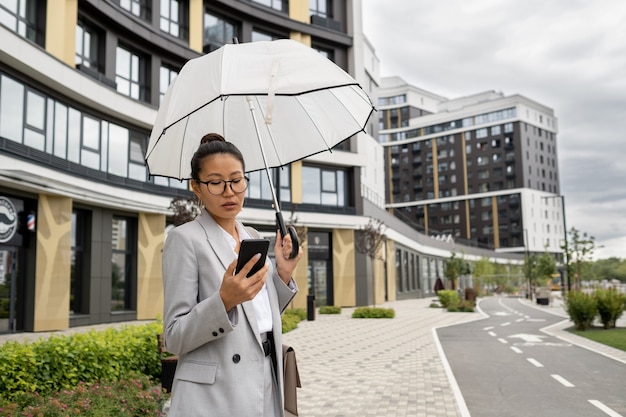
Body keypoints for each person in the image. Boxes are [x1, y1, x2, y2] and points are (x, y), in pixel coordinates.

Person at [162, 133, 302, 417]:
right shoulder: (184, 239)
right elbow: (174, 337)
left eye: (237, 180)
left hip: (266, 374)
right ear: (196, 187)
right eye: (215, 182)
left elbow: (258, 314)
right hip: (216, 393)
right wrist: (223, 301)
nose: (229, 192)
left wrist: (283, 276)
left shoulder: (252, 235)